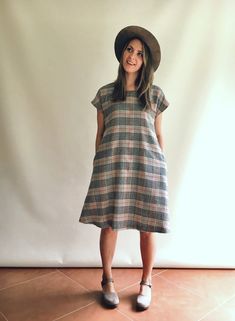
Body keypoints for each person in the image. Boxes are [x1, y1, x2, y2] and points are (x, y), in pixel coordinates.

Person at [79, 25, 170, 310]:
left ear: (146, 62)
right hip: (112, 167)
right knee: (109, 225)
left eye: (140, 54)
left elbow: (158, 135)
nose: (133, 56)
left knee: (147, 228)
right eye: (130, 50)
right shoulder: (105, 94)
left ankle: (146, 283)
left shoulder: (154, 95)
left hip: (147, 167)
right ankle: (107, 280)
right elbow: (100, 134)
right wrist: (99, 165)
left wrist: (161, 167)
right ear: (122, 53)